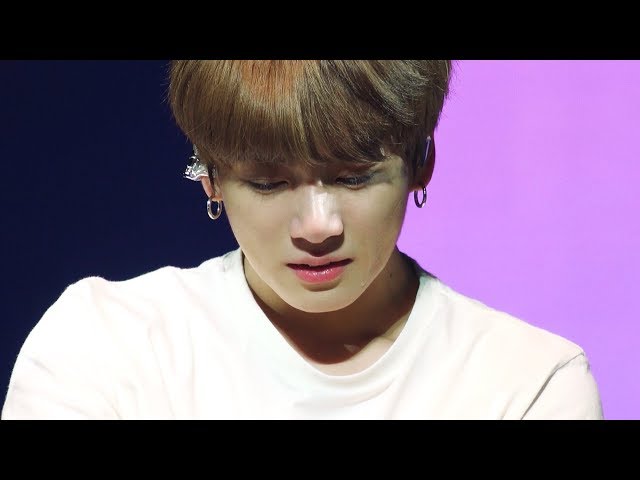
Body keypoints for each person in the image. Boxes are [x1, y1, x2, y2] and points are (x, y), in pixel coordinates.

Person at [1, 60, 603, 419]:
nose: (318, 227)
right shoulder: (105, 347)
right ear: (209, 176)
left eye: (354, 177)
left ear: (422, 161)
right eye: (268, 183)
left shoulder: (527, 384)